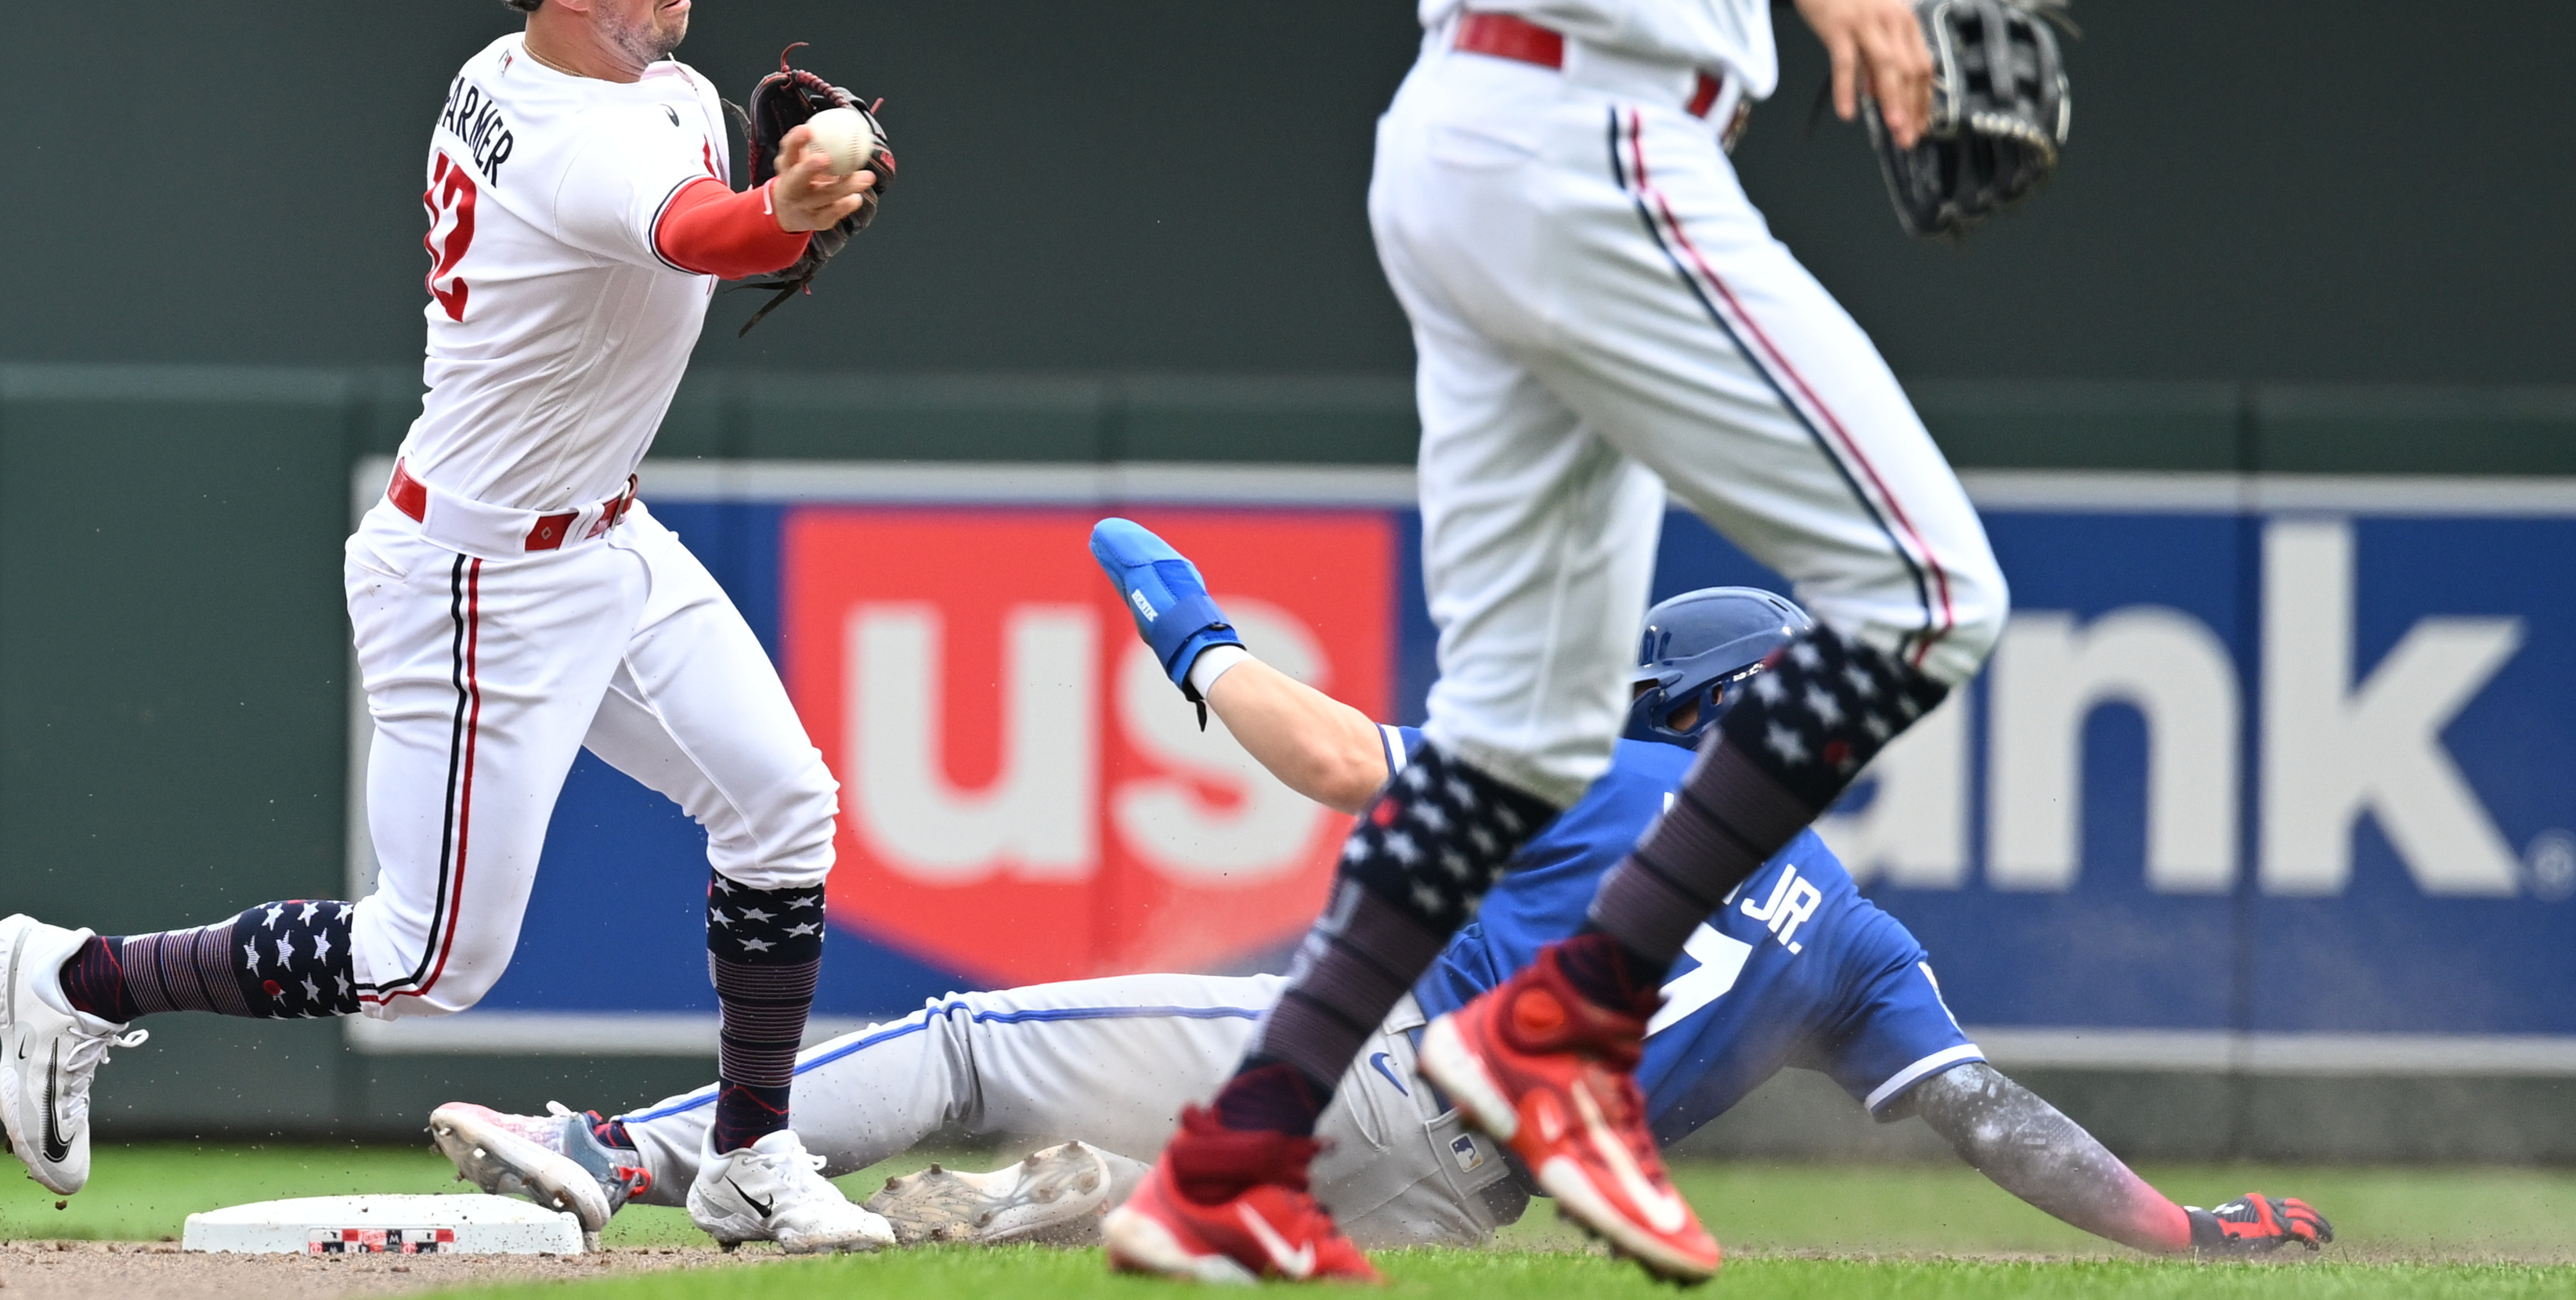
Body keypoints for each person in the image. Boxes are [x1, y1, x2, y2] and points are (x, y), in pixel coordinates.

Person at [1111, 0, 2021, 1282]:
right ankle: (1566, 1030)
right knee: (1921, 599)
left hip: (1457, 131)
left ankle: (1228, 1164)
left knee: (1515, 739)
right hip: (1594, 126)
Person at [428, 527, 2331, 1266]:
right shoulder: (1857, 936)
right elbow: (1991, 1123)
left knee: (966, 1034)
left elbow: (1340, 760)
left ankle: (622, 1154)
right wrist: (2176, 1236)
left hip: (1389, 1083)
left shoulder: (1626, 775)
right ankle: (1045, 1203)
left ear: (1678, 708)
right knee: (1128, 1166)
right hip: (1465, 1202)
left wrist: (1187, 639)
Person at [0, 0, 896, 1253]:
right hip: (479, 575)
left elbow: (713, 201)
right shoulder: (569, 139)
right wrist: (792, 202)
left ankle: (751, 1156)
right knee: (427, 960)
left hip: (605, 536)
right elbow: (711, 236)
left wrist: (791, 185)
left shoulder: (620, 82)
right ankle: (78, 980)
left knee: (783, 809)